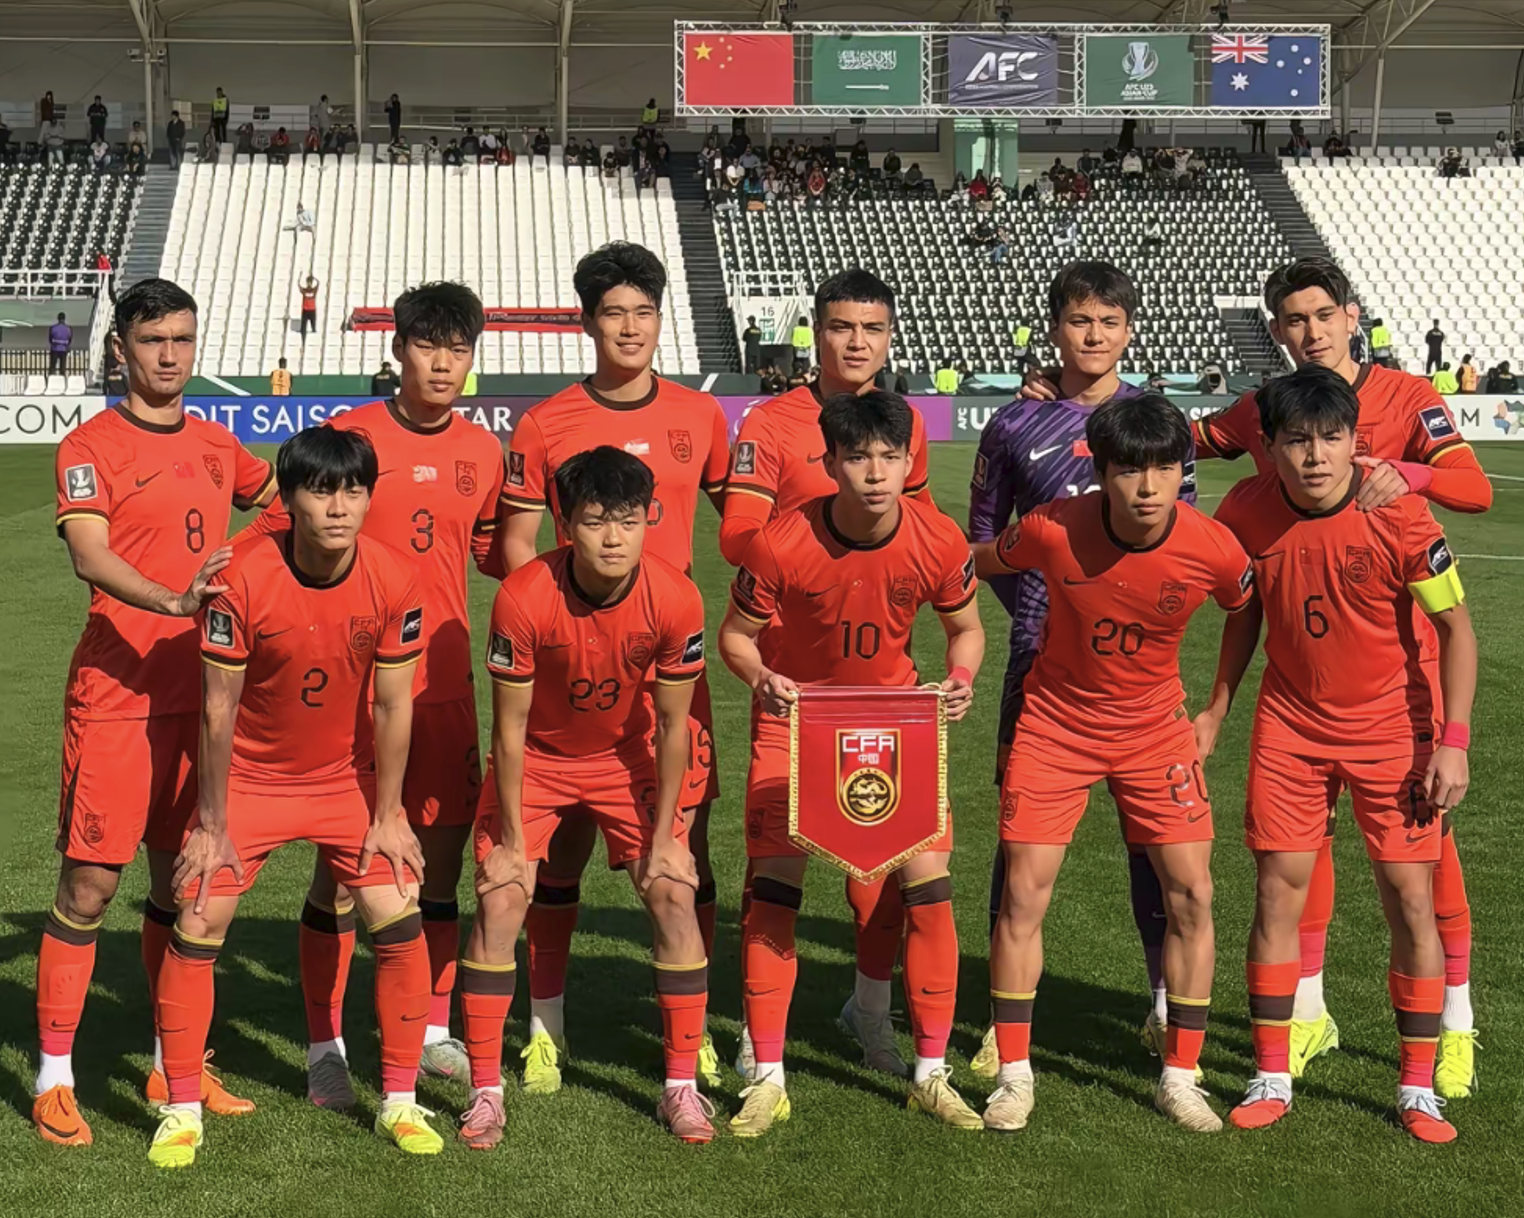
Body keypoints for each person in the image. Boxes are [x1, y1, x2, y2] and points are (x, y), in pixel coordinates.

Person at [1182, 259, 1491, 1097]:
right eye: (1294, 319)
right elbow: (1184, 439)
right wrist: (1077, 403)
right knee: (1293, 866)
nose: (1311, 331)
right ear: (1275, 330)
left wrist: (1408, 474)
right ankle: (1303, 1022)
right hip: (1300, 690)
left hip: (1401, 682)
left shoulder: (1406, 398)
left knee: (1424, 875)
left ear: (1352, 317)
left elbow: (1475, 489)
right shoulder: (1261, 411)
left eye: (1323, 315)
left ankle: (1452, 1029)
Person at [241, 283, 506, 1098]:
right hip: (354, 693)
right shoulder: (351, 439)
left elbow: (495, 552)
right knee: (345, 873)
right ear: (399, 349)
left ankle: (430, 1030)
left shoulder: (485, 451)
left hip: (443, 687)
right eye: (427, 345)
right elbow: (270, 534)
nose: (442, 363)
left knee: (440, 863)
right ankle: (325, 1044)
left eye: (457, 349)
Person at [150, 425, 438, 1167]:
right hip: (251, 781)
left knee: (397, 912)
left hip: (345, 781)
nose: (338, 508)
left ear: (370, 497)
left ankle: (398, 1101)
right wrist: (212, 823)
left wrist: (389, 814)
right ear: (290, 498)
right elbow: (217, 707)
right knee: (199, 912)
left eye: (353, 491)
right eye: (319, 491)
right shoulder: (240, 577)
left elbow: (393, 705)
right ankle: (181, 1107)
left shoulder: (396, 578)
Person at [32, 279, 276, 1149]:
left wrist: (241, 571)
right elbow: (89, 555)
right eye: (152, 340)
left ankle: (178, 1065)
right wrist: (176, 600)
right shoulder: (89, 445)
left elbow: (279, 504)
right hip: (117, 698)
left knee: (187, 885)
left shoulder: (218, 442)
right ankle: (53, 1078)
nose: (170, 355)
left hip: (204, 697)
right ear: (120, 349)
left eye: (182, 338)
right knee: (90, 886)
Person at [973, 393, 1251, 1134]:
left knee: (1192, 894)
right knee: (1022, 896)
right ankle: (1014, 1076)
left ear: (1183, 470)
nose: (1149, 487)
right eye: (1130, 470)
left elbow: (1245, 606)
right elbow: (977, 561)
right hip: (1054, 727)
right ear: (1099, 471)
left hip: (1156, 732)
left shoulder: (1215, 548)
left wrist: (1216, 710)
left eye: (1164, 468)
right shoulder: (1051, 528)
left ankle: (1180, 1077)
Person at [719, 390, 984, 1137]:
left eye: (890, 457)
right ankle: (767, 1075)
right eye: (858, 457)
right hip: (797, 724)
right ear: (830, 462)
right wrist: (761, 676)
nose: (875, 472)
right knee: (774, 895)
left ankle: (930, 1073)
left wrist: (960, 680)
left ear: (909, 460)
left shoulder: (938, 538)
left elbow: (966, 630)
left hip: (895, 727)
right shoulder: (781, 541)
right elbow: (735, 635)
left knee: (928, 892)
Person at [498, 243, 730, 1093]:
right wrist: (556, 630)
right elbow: (518, 546)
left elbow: (745, 525)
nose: (630, 329)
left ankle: (694, 1035)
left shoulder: (702, 416)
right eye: (613, 313)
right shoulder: (546, 423)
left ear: (660, 319)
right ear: (587, 323)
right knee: (555, 855)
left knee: (686, 849)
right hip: (567, 675)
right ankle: (545, 1026)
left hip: (668, 670)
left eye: (643, 312)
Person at [967, 263, 1189, 1079]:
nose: (1093, 335)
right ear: (1055, 328)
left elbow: (1183, 540)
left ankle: (1163, 1003)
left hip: (1137, 672)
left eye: (1108, 321)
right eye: (1079, 320)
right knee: (1020, 846)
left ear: (1129, 329)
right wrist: (1035, 607)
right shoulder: (1013, 424)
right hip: (1038, 666)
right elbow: (980, 543)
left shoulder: (1157, 422)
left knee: (1152, 841)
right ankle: (1000, 1021)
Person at [459, 446, 714, 1148]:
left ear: (649, 520)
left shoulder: (676, 597)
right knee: (501, 896)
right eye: (596, 521)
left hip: (625, 757)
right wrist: (512, 844)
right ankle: (485, 1092)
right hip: (539, 758)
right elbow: (509, 731)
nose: (612, 538)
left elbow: (673, 725)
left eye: (627, 521)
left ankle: (681, 1087)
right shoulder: (523, 596)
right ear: (565, 524)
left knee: (672, 893)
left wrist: (666, 837)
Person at [720, 272, 938, 1080]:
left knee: (879, 864)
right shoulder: (770, 422)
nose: (857, 342)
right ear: (816, 331)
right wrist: (818, 556)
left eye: (872, 329)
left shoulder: (904, 421)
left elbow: (918, 531)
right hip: (792, 676)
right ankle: (759, 1036)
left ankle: (870, 1013)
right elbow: (738, 534)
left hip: (880, 678)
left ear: (889, 338)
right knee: (776, 863)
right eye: (842, 326)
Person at [48, 312, 72, 376]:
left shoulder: (53, 328)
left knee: (53, 365)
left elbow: (50, 339)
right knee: (62, 366)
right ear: (64, 318)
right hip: (64, 349)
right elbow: (69, 340)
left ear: (58, 318)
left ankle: (51, 377)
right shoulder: (68, 328)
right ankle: (62, 378)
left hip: (55, 349)